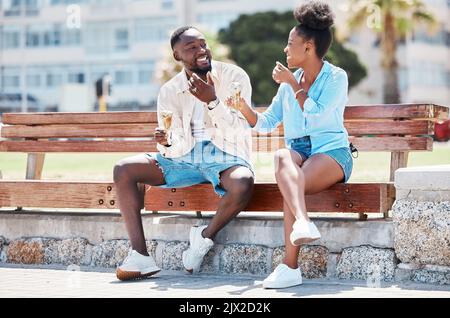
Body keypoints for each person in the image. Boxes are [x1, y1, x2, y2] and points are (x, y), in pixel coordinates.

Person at [227, 1, 353, 289]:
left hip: (331, 152)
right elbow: (267, 122)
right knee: (283, 157)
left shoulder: (336, 77)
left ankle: (290, 267)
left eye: (290, 43)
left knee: (290, 183)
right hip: (299, 152)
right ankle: (303, 224)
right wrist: (243, 108)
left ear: (308, 47)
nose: (285, 49)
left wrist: (292, 85)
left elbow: (317, 112)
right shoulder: (288, 83)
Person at [113, 26, 255, 280]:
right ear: (177, 56)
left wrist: (212, 101)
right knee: (124, 168)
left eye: (203, 44)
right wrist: (167, 142)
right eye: (191, 48)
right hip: (183, 157)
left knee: (243, 182)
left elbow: (238, 130)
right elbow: (175, 142)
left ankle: (203, 238)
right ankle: (140, 256)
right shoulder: (169, 90)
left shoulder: (234, 76)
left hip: (224, 153)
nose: (201, 51)